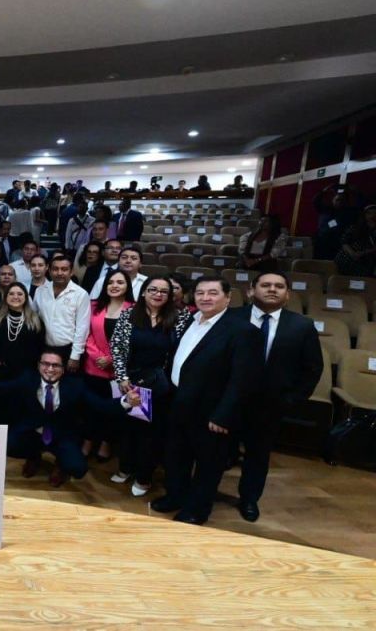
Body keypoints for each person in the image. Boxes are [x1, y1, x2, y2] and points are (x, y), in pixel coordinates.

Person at [150, 277, 262, 525]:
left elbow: (242, 380)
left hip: (211, 412)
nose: (205, 298)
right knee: (176, 456)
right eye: (200, 293)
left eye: (213, 293)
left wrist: (224, 415)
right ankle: (175, 496)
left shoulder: (243, 331)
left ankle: (197, 510)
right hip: (179, 402)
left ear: (228, 297)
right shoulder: (190, 319)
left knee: (208, 464)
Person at [232, 272, 323, 522]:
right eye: (266, 285)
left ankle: (249, 499)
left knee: (258, 455)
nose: (272, 289)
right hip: (228, 400)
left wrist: (291, 400)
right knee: (217, 451)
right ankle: (204, 493)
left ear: (287, 294)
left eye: (279, 286)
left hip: (270, 404)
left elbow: (312, 368)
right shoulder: (231, 317)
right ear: (251, 290)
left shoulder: (302, 325)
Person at [111, 275, 192, 496]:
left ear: (170, 295)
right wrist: (122, 378)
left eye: (164, 291)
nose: (158, 294)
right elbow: (117, 347)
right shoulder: (129, 314)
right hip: (130, 381)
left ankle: (144, 477)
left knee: (151, 434)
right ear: (143, 292)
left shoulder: (180, 317)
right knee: (128, 429)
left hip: (160, 385)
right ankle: (126, 467)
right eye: (153, 289)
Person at [0, 350, 100, 486]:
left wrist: (120, 401)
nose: (50, 369)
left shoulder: (75, 385)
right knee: (8, 444)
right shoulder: (28, 379)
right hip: (34, 433)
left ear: (63, 369)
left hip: (61, 436)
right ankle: (33, 456)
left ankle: (60, 465)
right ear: (38, 365)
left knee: (77, 468)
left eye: (55, 365)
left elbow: (100, 404)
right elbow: (1, 388)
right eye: (45, 364)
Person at [83, 268, 134, 460]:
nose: (114, 285)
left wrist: (112, 359)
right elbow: (86, 333)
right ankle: (88, 440)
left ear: (127, 286)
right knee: (90, 408)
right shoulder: (94, 306)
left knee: (114, 409)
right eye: (111, 282)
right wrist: (98, 356)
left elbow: (133, 340)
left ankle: (106, 442)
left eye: (120, 282)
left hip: (118, 373)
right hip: (93, 367)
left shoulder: (134, 309)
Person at [35, 256, 91, 372]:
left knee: (68, 382)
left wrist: (75, 356)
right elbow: (34, 318)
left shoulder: (80, 294)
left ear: (71, 272)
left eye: (64, 269)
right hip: (43, 348)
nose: (59, 273)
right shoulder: (40, 291)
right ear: (49, 271)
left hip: (68, 350)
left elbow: (83, 327)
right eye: (55, 269)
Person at [0, 283, 43, 383]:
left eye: (20, 294)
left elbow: (39, 347)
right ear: (5, 297)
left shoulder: (35, 319)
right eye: (11, 294)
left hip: (25, 374)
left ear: (26, 297)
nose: (15, 297)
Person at [313, 184, 366, 259]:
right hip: (322, 243)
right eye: (337, 200)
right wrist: (323, 191)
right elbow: (316, 201)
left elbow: (362, 204)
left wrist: (356, 192)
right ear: (333, 200)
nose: (340, 202)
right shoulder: (326, 209)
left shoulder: (349, 212)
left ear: (346, 202)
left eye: (342, 200)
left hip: (338, 245)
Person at [334, 205, 376, 277]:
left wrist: (363, 253)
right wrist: (352, 253)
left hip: (365, 263)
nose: (372, 216)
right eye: (369, 213)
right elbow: (344, 241)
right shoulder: (355, 228)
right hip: (346, 259)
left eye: (374, 213)